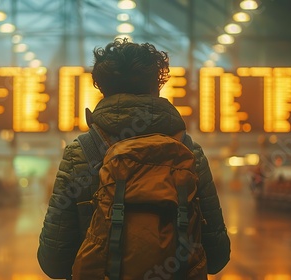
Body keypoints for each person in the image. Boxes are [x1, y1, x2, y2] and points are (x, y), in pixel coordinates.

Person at [38, 38, 230, 279]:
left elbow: (53, 262)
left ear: (102, 88)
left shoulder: (82, 153)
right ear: (156, 86)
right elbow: (217, 256)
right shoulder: (190, 153)